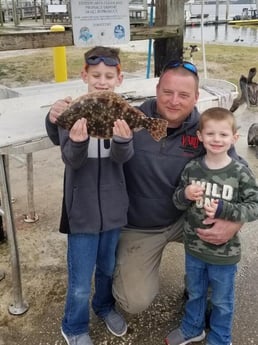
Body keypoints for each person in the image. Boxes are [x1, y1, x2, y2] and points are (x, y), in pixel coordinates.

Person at [112, 60, 244, 316]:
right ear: (157, 89)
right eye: (167, 92)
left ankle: (198, 286)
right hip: (140, 225)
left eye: (184, 95)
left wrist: (233, 223)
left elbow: (242, 178)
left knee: (221, 242)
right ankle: (121, 266)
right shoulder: (130, 120)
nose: (174, 101)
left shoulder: (206, 130)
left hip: (190, 217)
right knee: (134, 303)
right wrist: (57, 117)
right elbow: (84, 129)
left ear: (196, 97)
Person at [45, 46, 133, 345]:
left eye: (109, 75)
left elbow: (124, 159)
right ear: (84, 75)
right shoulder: (72, 111)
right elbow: (71, 159)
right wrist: (78, 142)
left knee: (107, 268)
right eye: (96, 75)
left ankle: (104, 306)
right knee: (81, 280)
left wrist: (123, 140)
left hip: (113, 211)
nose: (102, 81)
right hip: (80, 214)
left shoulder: (122, 109)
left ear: (119, 78)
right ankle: (74, 326)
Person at [165, 107, 258, 345]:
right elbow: (177, 201)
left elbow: (254, 205)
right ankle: (192, 328)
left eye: (224, 135)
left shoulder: (240, 173)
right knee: (195, 294)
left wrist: (225, 211)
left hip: (224, 254)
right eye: (211, 134)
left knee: (222, 301)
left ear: (234, 138)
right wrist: (185, 194)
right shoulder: (192, 168)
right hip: (194, 249)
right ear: (200, 137)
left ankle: (220, 338)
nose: (217, 139)